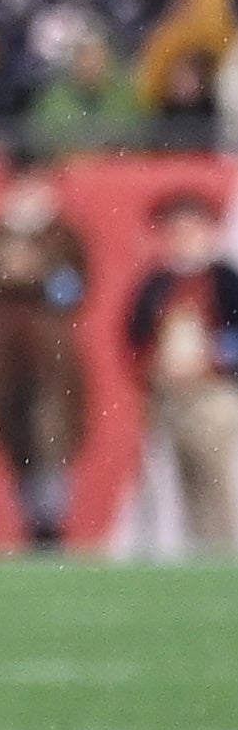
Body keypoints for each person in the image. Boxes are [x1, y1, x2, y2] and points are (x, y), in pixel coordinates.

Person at [0, 156, 91, 552]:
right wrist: (3, 275)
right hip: (3, 356)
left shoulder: (62, 235)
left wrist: (39, 276)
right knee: (13, 440)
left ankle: (51, 521)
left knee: (51, 437)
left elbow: (77, 288)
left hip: (51, 355)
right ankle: (31, 521)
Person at [120, 188, 238, 553]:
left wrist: (216, 359)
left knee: (221, 477)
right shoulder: (157, 284)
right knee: (171, 481)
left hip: (213, 395)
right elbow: (135, 335)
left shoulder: (224, 281)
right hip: (168, 396)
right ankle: (188, 550)